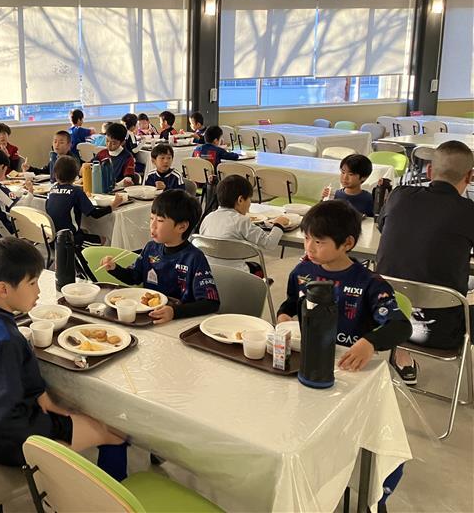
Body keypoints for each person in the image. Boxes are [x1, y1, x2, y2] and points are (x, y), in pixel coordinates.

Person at [277, 200, 411, 510]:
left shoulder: (369, 283)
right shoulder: (302, 271)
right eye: (307, 238)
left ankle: (374, 495)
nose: (309, 247)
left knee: (374, 438)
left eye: (319, 241)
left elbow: (400, 325)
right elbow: (291, 302)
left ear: (347, 243)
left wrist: (369, 342)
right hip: (307, 366)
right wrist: (284, 316)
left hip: (348, 371)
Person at [0, 237, 127, 477]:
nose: (38, 291)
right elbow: (6, 418)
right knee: (114, 432)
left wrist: (49, 403)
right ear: (3, 289)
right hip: (10, 443)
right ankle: (113, 494)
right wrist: (56, 422)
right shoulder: (5, 341)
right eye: (32, 283)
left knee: (76, 413)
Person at [377, 140, 474, 384]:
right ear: (470, 176)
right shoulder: (469, 211)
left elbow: (383, 228)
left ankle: (400, 353)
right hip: (442, 333)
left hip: (381, 318)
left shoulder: (399, 196)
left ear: (429, 171)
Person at [101, 190, 220, 324]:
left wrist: (174, 312)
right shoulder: (151, 248)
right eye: (151, 218)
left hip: (179, 321)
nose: (152, 226)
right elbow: (134, 276)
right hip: (148, 318)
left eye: (160, 220)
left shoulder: (194, 258)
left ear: (181, 227)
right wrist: (114, 268)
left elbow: (211, 303)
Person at [198, 175, 290, 274]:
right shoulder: (242, 221)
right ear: (240, 200)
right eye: (250, 199)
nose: (250, 204)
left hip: (209, 273)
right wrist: (278, 224)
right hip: (236, 275)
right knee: (257, 268)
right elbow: (269, 244)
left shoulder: (207, 218)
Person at [45, 155, 122, 247]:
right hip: (69, 241)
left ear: (55, 175)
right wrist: (112, 206)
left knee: (84, 230)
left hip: (52, 239)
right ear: (76, 176)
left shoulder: (52, 190)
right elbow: (95, 214)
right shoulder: (76, 192)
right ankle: (82, 255)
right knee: (106, 240)